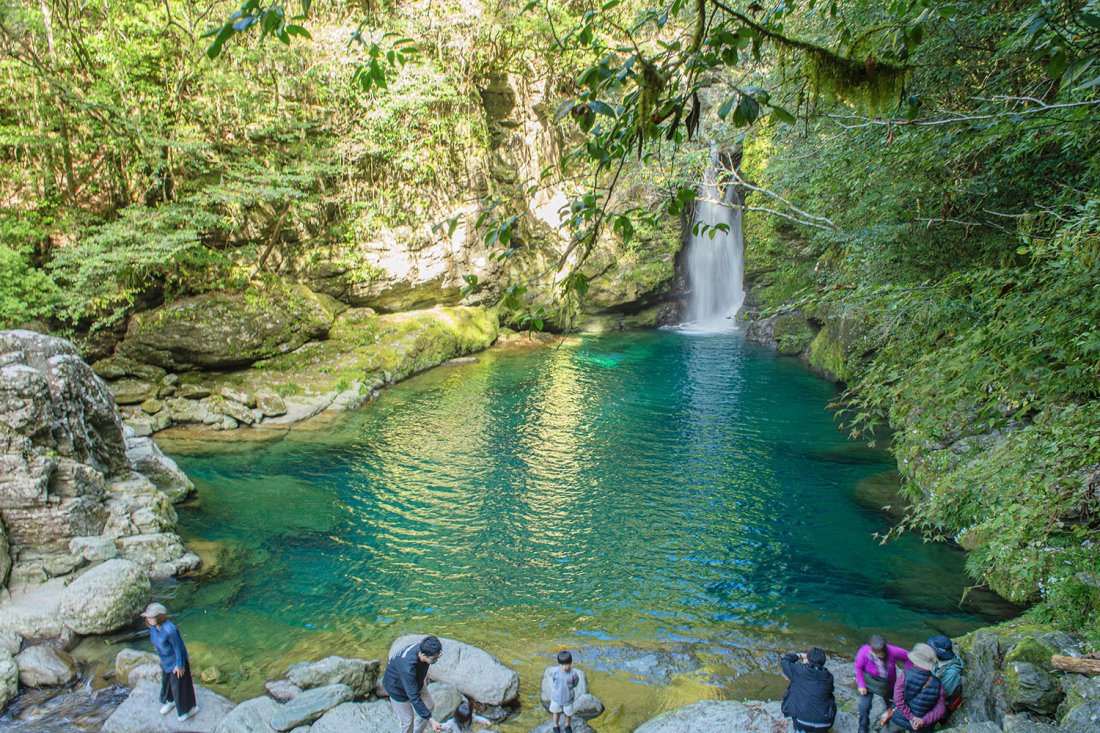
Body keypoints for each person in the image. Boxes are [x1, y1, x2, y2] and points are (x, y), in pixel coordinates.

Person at [141, 602, 198, 722]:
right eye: (148, 617)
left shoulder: (170, 629)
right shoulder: (153, 628)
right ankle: (170, 701)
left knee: (179, 687)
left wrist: (180, 665)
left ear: (160, 616)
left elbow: (179, 648)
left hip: (176, 663)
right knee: (166, 683)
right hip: (165, 661)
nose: (149, 619)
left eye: (152, 617)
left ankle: (187, 710)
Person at [383, 636, 446, 733]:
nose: (436, 660)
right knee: (407, 720)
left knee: (429, 705)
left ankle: (417, 731)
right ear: (424, 654)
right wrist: (431, 720)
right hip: (396, 688)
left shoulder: (423, 648)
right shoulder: (408, 667)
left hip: (415, 682)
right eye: (434, 659)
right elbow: (414, 697)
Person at [854, 634, 911, 733]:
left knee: (893, 706)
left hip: (888, 685)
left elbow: (908, 657)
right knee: (864, 706)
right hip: (869, 683)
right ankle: (863, 726)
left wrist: (907, 674)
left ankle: (890, 723)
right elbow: (858, 667)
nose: (879, 656)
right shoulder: (864, 651)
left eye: (881, 653)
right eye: (877, 653)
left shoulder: (892, 651)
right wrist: (861, 685)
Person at [886, 643, 946, 732]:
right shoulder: (938, 684)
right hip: (921, 727)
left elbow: (898, 699)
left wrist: (911, 717)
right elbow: (941, 710)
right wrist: (923, 721)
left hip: (900, 719)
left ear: (915, 661)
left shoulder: (905, 675)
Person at [780, 647, 838, 732]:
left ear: (807, 659)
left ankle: (800, 730)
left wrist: (799, 655)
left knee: (793, 687)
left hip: (802, 722)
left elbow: (785, 660)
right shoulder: (829, 677)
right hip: (825, 724)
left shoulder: (799, 671)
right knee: (829, 696)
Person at [927, 635, 963, 727]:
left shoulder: (952, 673)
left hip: (940, 704)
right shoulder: (938, 659)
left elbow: (942, 694)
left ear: (939, 653)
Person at [548, 650, 580, 733]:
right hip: (556, 697)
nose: (564, 667)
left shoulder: (573, 674)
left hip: (568, 698)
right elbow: (554, 679)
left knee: (568, 713)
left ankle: (567, 725)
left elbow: (575, 683)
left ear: (570, 663)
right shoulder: (556, 671)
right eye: (562, 664)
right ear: (559, 664)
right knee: (556, 712)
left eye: (567, 664)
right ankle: (555, 725)